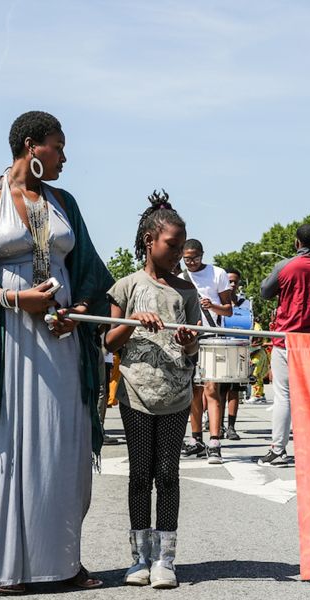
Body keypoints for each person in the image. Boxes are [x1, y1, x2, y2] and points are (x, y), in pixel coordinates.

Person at [0, 111, 113, 593]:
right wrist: (16, 298)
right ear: (31, 147)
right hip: (8, 343)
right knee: (11, 451)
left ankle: (63, 565)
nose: (65, 157)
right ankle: (11, 569)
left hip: (60, 343)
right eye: (58, 147)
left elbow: (91, 272)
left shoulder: (63, 203)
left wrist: (74, 308)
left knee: (64, 449)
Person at [105, 191, 199, 589]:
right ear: (150, 241)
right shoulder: (125, 286)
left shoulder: (187, 292)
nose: (178, 254)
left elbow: (195, 344)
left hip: (176, 396)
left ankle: (166, 559)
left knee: (169, 473)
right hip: (137, 395)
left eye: (181, 247)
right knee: (140, 474)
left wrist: (187, 339)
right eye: (172, 246)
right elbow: (110, 342)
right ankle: (139, 557)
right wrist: (131, 320)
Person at [258, 224, 310, 466]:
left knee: (283, 397)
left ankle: (278, 449)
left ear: (297, 242)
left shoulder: (285, 266)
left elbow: (265, 291)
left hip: (285, 339)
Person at [178, 239, 232, 464]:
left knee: (212, 389)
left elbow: (229, 310)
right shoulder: (180, 278)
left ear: (202, 255)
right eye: (187, 258)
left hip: (212, 336)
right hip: (191, 337)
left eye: (195, 258)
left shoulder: (217, 273)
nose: (191, 262)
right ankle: (196, 439)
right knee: (193, 391)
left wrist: (213, 306)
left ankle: (215, 442)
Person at [219, 268, 252, 440]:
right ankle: (218, 425)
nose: (232, 285)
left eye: (235, 282)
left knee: (235, 390)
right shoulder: (218, 302)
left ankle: (231, 427)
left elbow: (247, 324)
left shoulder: (244, 303)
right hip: (222, 348)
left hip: (239, 348)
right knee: (220, 390)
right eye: (229, 281)